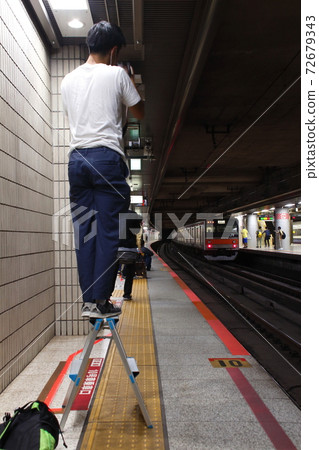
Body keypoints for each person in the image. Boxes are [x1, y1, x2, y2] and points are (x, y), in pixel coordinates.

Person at [61, 21, 144, 319]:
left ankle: (88, 302)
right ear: (113, 50)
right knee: (109, 232)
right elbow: (139, 110)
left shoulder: (67, 80)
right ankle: (101, 302)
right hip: (107, 159)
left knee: (85, 232)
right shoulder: (117, 74)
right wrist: (130, 79)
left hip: (77, 161)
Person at [118, 210, 143, 301]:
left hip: (116, 248)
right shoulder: (134, 215)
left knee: (112, 273)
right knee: (130, 273)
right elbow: (137, 233)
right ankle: (127, 294)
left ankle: (107, 296)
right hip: (130, 249)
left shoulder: (115, 213)